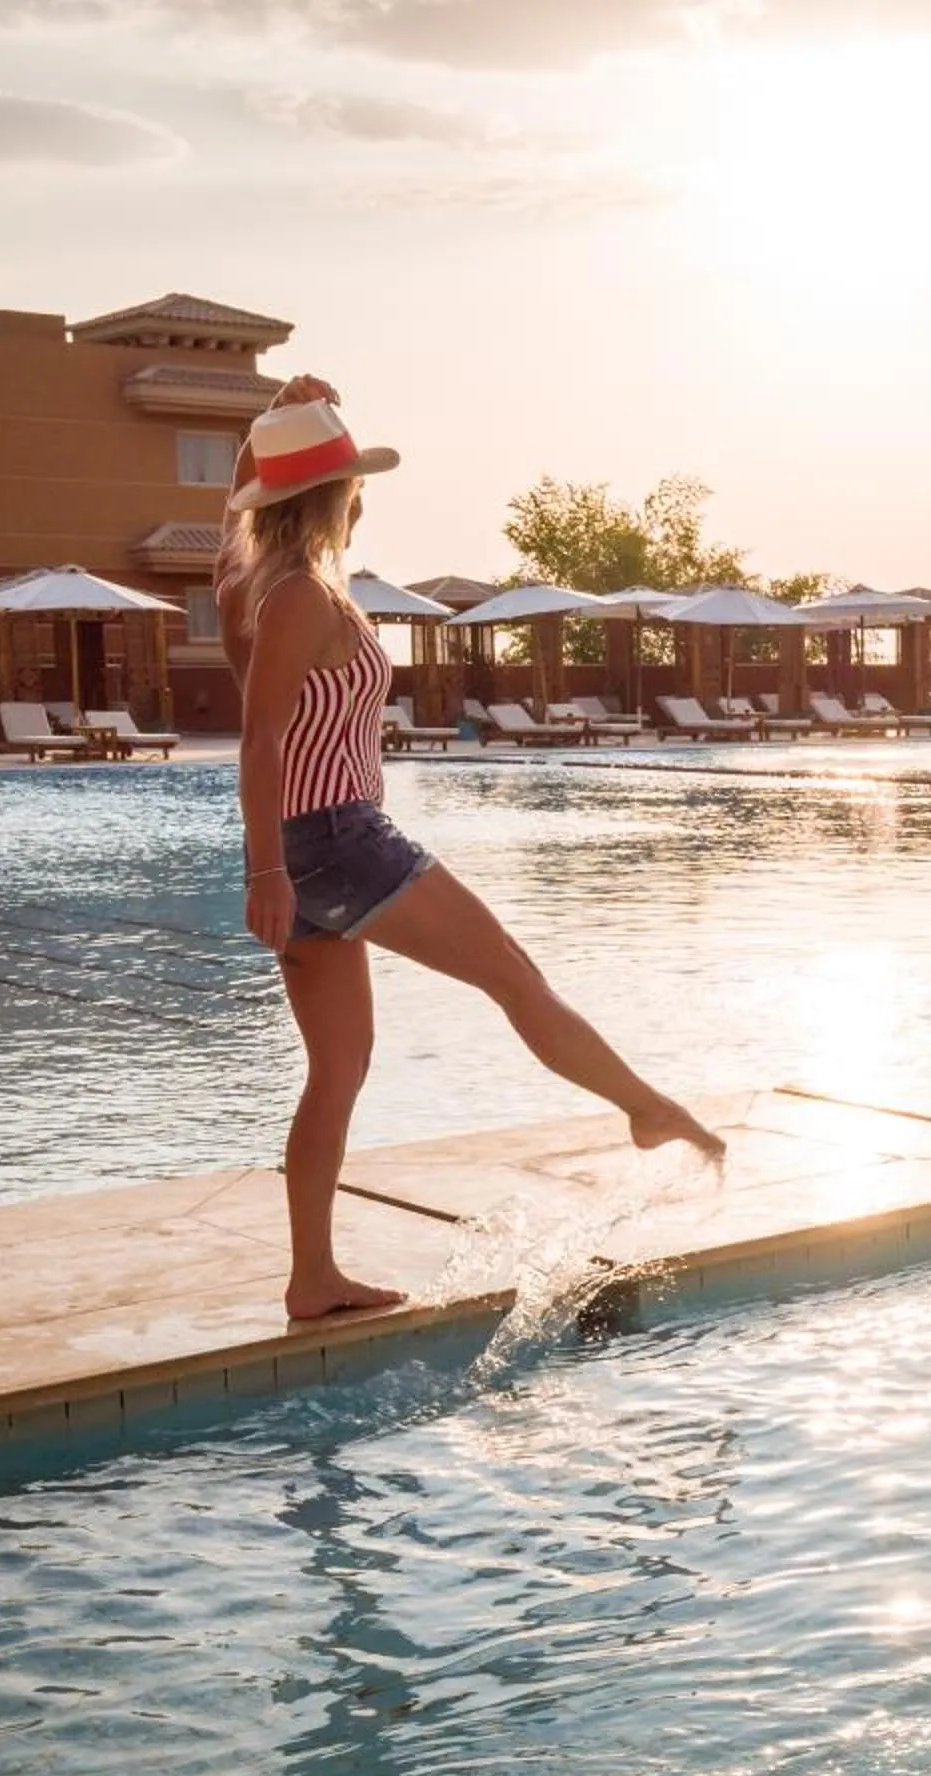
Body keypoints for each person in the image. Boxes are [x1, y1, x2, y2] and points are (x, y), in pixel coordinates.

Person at [223, 376, 722, 1320]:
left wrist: (264, 440)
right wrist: (266, 871)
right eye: (350, 482)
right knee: (514, 976)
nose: (361, 496)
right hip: (337, 841)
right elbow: (259, 738)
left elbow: (235, 533)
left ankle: (312, 1278)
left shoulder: (256, 582)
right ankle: (646, 1109)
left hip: (310, 848)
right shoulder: (297, 598)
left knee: (338, 1070)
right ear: (331, 497)